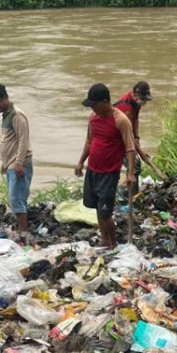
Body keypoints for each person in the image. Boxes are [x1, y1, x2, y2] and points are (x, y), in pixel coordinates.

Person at [75, 83, 136, 249]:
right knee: (96, 207)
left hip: (109, 173)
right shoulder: (92, 118)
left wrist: (131, 173)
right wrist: (81, 162)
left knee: (105, 212)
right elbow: (89, 140)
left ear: (104, 101)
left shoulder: (121, 120)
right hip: (93, 170)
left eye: (94, 104)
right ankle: (104, 241)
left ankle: (113, 244)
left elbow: (130, 148)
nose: (93, 108)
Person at [0, 83, 34, 240]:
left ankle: (23, 232)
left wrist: (18, 163)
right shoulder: (7, 114)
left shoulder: (17, 115)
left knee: (16, 199)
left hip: (19, 164)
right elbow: (9, 141)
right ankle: (20, 230)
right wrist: (5, 163)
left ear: (5, 98)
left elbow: (23, 140)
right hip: (11, 164)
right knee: (15, 199)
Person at [114, 81, 152, 192]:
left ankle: (129, 190)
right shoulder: (126, 109)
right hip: (116, 138)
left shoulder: (135, 102)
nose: (144, 101)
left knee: (133, 165)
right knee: (135, 166)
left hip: (125, 135)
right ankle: (132, 195)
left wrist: (137, 137)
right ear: (135, 95)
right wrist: (142, 154)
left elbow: (135, 120)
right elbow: (128, 135)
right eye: (143, 98)